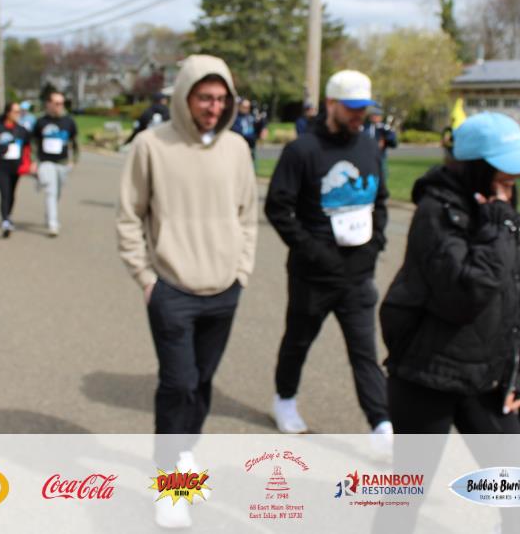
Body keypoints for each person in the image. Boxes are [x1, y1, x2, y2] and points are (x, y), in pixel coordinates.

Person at [376, 112, 520, 534]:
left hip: (488, 380)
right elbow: (465, 294)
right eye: (505, 166)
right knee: (404, 501)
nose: (515, 176)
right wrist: (496, 227)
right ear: (476, 166)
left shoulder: (500, 206)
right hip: (427, 375)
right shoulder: (437, 212)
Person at [117, 55, 257, 529]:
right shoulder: (151, 145)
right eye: (204, 98)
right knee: (177, 384)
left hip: (225, 288)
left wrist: (242, 271)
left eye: (221, 99)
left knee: (201, 383)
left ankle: (183, 453)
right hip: (172, 288)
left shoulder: (237, 148)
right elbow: (129, 215)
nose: (214, 107)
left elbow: (247, 215)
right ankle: (171, 485)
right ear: (184, 97)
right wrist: (146, 277)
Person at [264, 69, 392, 445]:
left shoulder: (369, 147)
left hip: (358, 274)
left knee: (364, 352)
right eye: (352, 108)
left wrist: (376, 242)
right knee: (298, 341)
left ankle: (381, 423)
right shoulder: (302, 151)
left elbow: (380, 200)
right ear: (331, 104)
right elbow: (278, 208)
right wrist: (314, 252)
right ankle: (285, 399)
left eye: (364, 109)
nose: (359, 116)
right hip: (313, 275)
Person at [31, 88, 79, 237]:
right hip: (45, 161)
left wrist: (74, 160)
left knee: (57, 192)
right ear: (48, 104)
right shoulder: (41, 121)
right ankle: (53, 224)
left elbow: (75, 142)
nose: (59, 106)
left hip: (62, 163)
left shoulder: (69, 121)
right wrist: (33, 161)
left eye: (61, 103)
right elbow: (33, 142)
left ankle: (49, 214)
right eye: (56, 103)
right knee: (50, 191)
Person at [0, 102, 32, 238]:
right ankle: (5, 221)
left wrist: (27, 165)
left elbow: (27, 150)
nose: (18, 114)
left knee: (11, 194)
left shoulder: (22, 130)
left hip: (15, 167)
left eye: (19, 112)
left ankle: (8, 215)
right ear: (8, 113)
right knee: (5, 194)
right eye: (15, 111)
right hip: (1, 167)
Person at [362, 107, 397, 177]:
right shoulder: (364, 127)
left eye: (377, 115)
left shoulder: (385, 128)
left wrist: (385, 140)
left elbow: (393, 140)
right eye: (373, 115)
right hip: (366, 155)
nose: (375, 117)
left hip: (380, 155)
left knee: (381, 174)